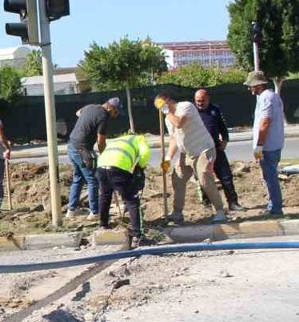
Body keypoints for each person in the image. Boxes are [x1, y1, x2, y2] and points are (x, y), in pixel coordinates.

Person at [155, 91, 228, 225]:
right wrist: (168, 158)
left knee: (205, 178)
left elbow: (179, 123)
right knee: (177, 178)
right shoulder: (167, 119)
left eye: (161, 105)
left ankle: (220, 211)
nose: (160, 109)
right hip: (187, 152)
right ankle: (177, 213)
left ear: (168, 101)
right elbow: (174, 139)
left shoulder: (185, 106)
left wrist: (165, 110)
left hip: (203, 149)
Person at [66, 98, 121, 219]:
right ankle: (95, 212)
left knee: (78, 178)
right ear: (110, 107)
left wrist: (87, 121)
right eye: (115, 112)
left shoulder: (89, 107)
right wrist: (105, 155)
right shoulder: (103, 116)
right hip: (82, 149)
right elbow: (101, 141)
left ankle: (71, 210)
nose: (114, 116)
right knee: (93, 180)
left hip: (71, 145)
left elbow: (78, 113)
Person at [193, 88, 242, 211]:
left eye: (202, 100)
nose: (200, 103)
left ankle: (233, 202)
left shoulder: (215, 109)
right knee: (204, 178)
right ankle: (207, 204)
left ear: (208, 99)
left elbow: (222, 126)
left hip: (216, 148)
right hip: (200, 150)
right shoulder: (192, 112)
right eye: (197, 101)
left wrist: (225, 139)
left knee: (226, 176)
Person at [96, 132, 151, 240]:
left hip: (101, 167)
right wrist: (140, 167)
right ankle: (137, 235)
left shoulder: (118, 140)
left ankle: (103, 225)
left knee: (105, 196)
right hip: (117, 168)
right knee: (132, 200)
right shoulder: (140, 139)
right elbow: (145, 153)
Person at [246, 70, 285, 216]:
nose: (249, 88)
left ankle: (275, 207)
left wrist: (259, 146)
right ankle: (273, 205)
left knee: (270, 177)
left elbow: (265, 123)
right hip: (272, 144)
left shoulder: (266, 98)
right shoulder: (271, 96)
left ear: (258, 85)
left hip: (268, 146)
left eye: (251, 85)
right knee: (269, 176)